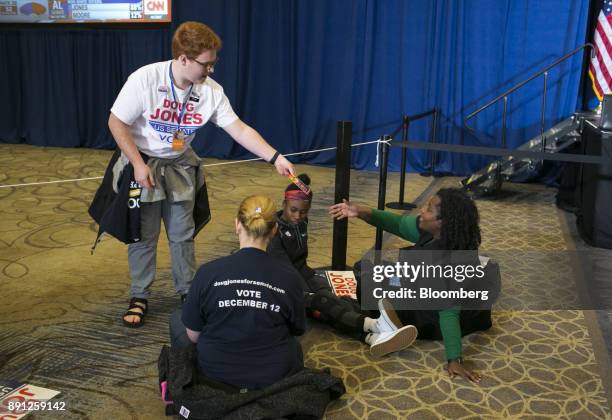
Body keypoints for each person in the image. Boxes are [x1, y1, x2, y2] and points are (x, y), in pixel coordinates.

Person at [108, 21, 294, 327]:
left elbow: (240, 129)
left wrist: (274, 157)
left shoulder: (210, 91)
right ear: (183, 58)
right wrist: (138, 165)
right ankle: (139, 294)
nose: (210, 70)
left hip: (180, 165)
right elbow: (116, 123)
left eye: (213, 63)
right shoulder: (145, 79)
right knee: (144, 235)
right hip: (144, 164)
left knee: (183, 234)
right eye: (206, 64)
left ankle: (188, 292)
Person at [327, 188, 496, 383]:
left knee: (368, 280)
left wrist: (454, 359)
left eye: (429, 209)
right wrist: (358, 211)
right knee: (376, 270)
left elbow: (448, 313)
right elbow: (397, 223)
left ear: (443, 222)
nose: (422, 210)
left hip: (433, 316)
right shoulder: (443, 233)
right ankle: (386, 317)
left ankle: (388, 326)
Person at [267, 174, 419, 357]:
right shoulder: (274, 232)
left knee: (333, 301)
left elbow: (303, 186)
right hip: (284, 284)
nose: (298, 216)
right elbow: (285, 272)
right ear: (283, 204)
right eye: (293, 210)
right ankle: (375, 325)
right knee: (322, 302)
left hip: (304, 273)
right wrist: (309, 292)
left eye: (303, 212)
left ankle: (372, 338)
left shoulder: (300, 221)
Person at [170, 195, 306, 390]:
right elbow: (297, 329)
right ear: (274, 230)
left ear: (237, 225)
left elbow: (193, 336)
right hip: (273, 374)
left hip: (214, 372)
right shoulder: (290, 277)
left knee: (178, 317)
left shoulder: (207, 272)